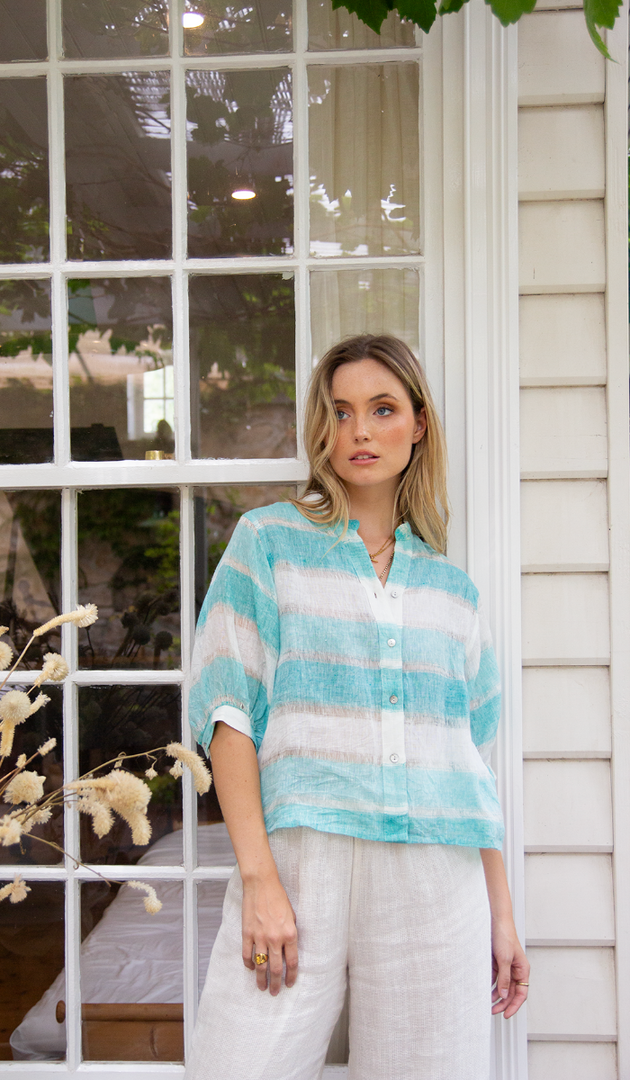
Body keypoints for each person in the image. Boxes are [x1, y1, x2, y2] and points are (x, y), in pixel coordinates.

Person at [185, 334, 529, 1080]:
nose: (360, 432)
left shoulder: (452, 591)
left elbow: (469, 761)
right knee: (238, 1063)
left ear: (419, 424)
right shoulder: (268, 543)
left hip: (437, 878)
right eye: (341, 413)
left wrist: (501, 914)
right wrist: (260, 879)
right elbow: (227, 716)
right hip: (303, 858)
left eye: (382, 409)